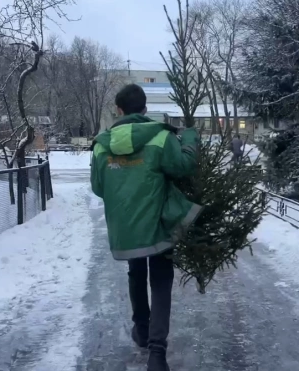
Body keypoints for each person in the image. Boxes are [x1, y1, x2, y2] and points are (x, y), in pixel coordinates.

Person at [89, 84, 201, 371]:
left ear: (119, 110)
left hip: (124, 228)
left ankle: (140, 328)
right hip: (158, 225)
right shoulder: (161, 138)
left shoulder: (101, 145)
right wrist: (189, 137)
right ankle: (157, 353)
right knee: (161, 280)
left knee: (136, 273)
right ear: (145, 110)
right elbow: (183, 167)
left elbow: (99, 188)